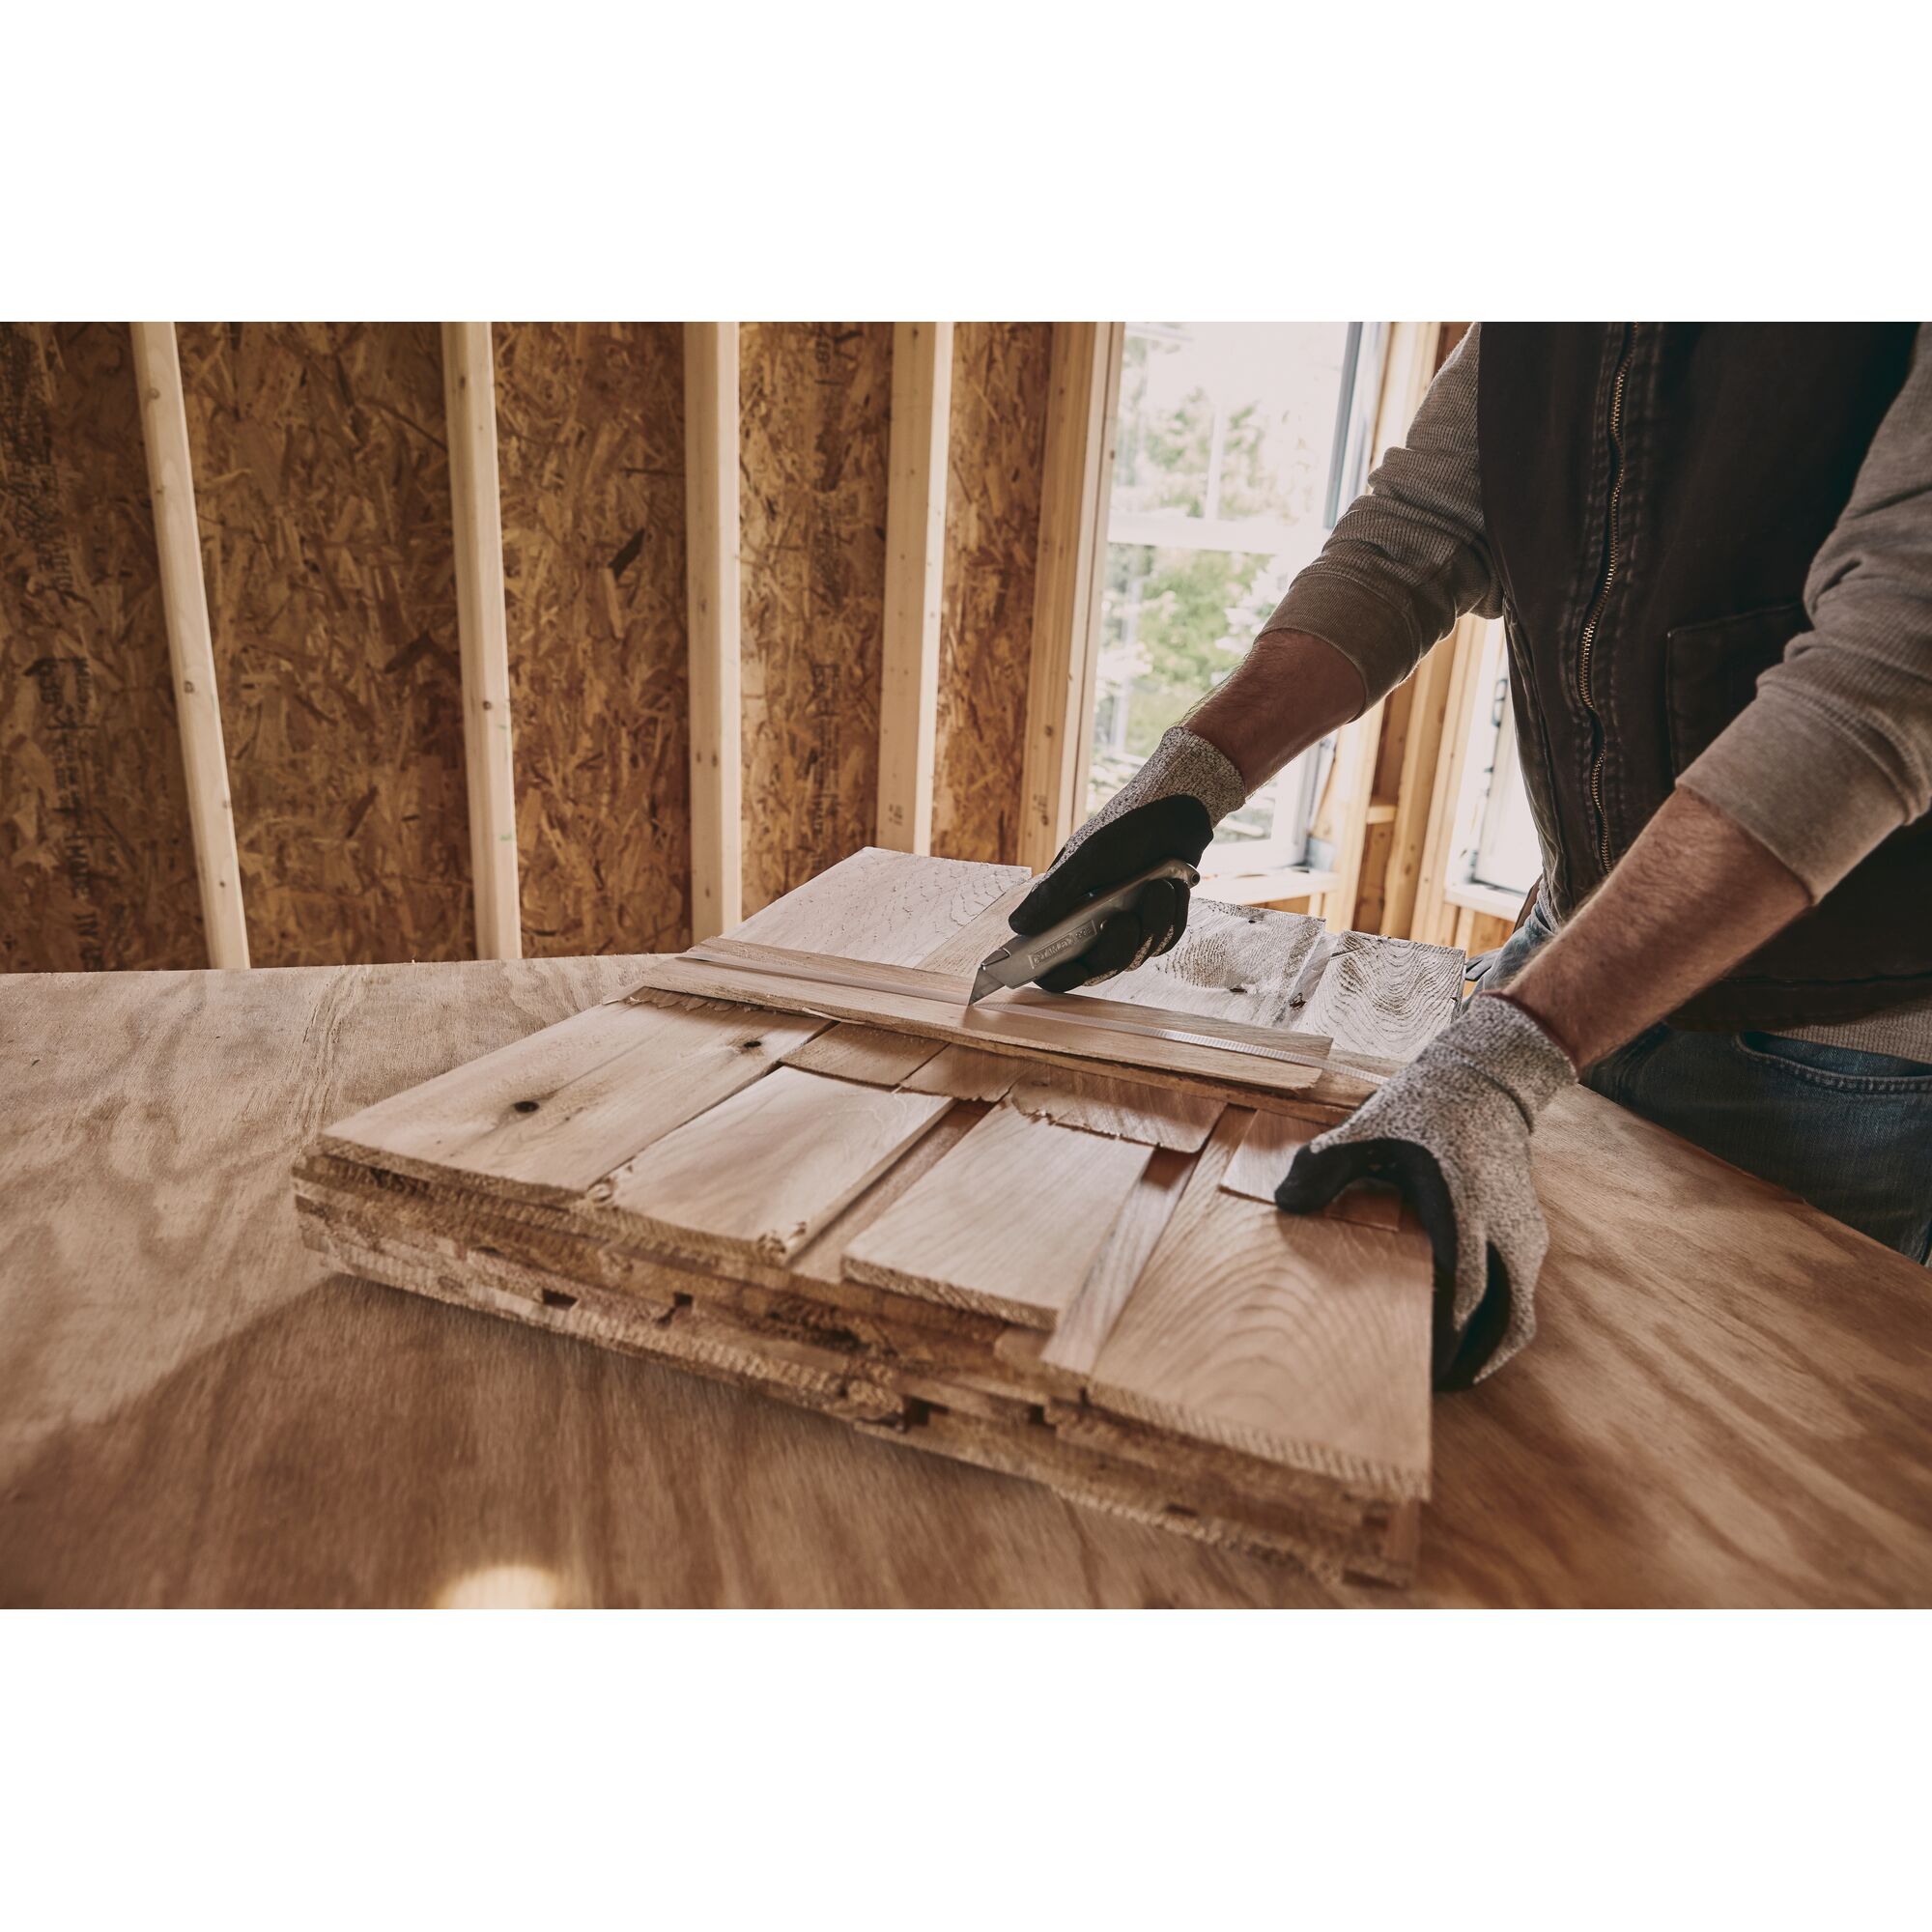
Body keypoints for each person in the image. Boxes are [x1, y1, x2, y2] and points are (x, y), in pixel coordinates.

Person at [1008, 324, 1932, 1388]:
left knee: (1703, 1479)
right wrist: (1186, 784)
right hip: (1569, 944)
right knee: (1449, 1387)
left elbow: (1883, 679)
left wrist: (1500, 1056)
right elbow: (1417, 532)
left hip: (1841, 1049)